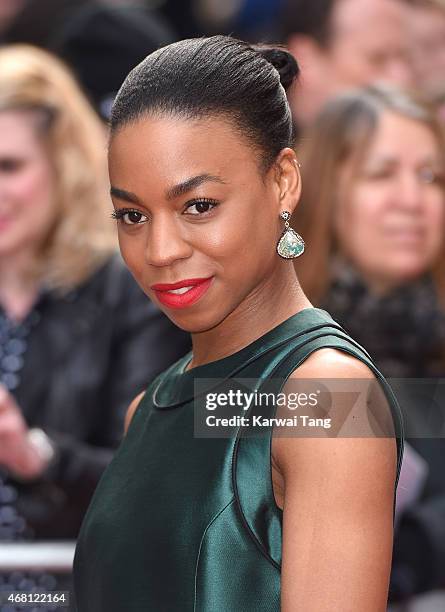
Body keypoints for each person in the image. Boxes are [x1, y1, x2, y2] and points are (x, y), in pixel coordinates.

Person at [73, 35, 403, 611]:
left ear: (283, 182)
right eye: (132, 215)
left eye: (198, 205)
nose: (160, 250)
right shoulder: (149, 407)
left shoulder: (328, 396)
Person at [0, 44, 190, 546]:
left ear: (65, 166)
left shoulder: (131, 291)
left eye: (9, 166)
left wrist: (35, 454)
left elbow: (158, 481)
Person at [293, 85, 445, 602]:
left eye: (432, 177)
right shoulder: (267, 340)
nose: (412, 200)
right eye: (381, 174)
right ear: (324, 189)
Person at [279, 0, 414, 129]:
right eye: (377, 59)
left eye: (408, 59)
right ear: (304, 59)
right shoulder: (263, 147)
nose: (402, 79)